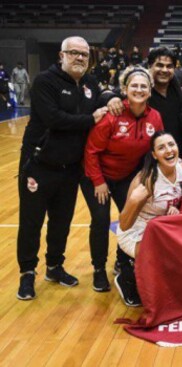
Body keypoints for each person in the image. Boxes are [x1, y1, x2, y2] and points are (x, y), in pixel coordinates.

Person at [16, 36, 110, 301]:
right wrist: (90, 119)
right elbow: (54, 118)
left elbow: (103, 96)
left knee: (61, 222)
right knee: (31, 222)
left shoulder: (90, 83)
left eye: (84, 54)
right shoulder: (45, 82)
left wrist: (111, 98)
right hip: (38, 165)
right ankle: (27, 273)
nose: (80, 58)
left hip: (70, 169)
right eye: (74, 53)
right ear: (62, 56)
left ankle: (54, 267)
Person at [83, 66, 163, 296]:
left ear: (150, 91)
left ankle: (122, 260)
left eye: (143, 86)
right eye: (134, 86)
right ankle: (99, 268)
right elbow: (91, 151)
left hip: (126, 177)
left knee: (132, 217)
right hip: (96, 176)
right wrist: (98, 182)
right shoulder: (112, 114)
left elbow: (155, 150)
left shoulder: (155, 117)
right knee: (100, 219)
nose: (139, 90)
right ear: (125, 89)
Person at [115, 131, 182, 306]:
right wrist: (134, 201)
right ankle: (126, 278)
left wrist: (177, 208)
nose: (168, 150)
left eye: (171, 145)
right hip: (137, 230)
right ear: (154, 155)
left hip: (163, 227)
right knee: (159, 255)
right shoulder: (146, 180)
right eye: (161, 147)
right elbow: (125, 224)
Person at [106, 47, 182, 154]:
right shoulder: (141, 88)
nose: (164, 70)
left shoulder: (177, 81)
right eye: (159, 65)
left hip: (175, 152)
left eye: (169, 66)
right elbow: (108, 93)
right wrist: (112, 98)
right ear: (149, 66)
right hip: (148, 155)